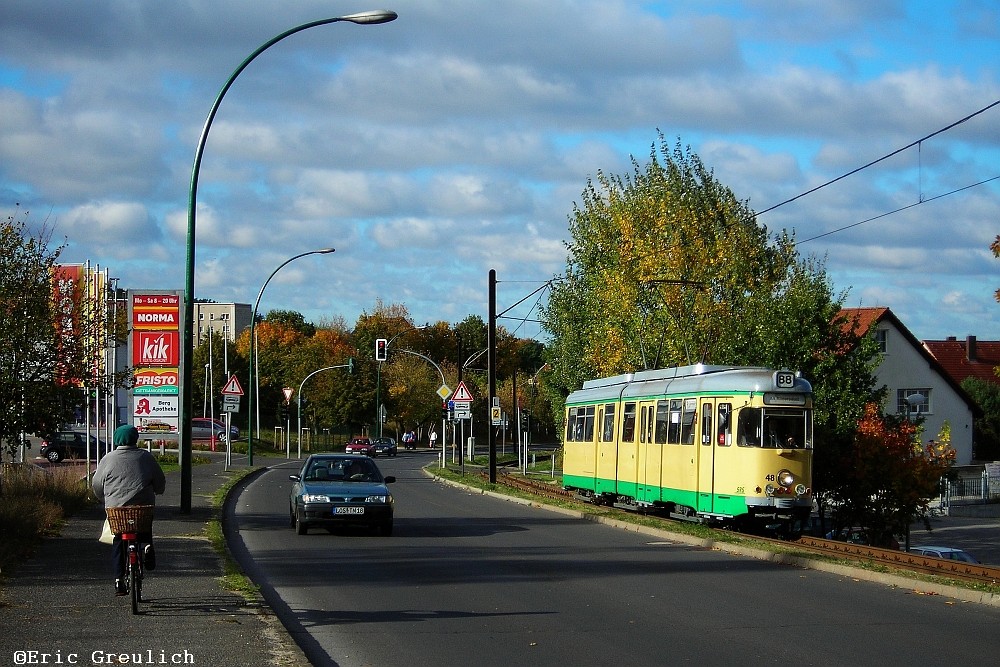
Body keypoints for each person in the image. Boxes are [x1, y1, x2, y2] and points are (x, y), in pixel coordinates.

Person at [92, 424, 166, 596]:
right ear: (135, 438)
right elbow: (159, 481)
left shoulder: (108, 459)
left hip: (116, 508)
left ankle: (119, 580)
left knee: (118, 540)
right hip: (142, 507)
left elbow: (96, 485)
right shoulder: (146, 457)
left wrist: (103, 498)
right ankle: (146, 546)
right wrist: (158, 489)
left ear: (117, 439)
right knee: (144, 529)